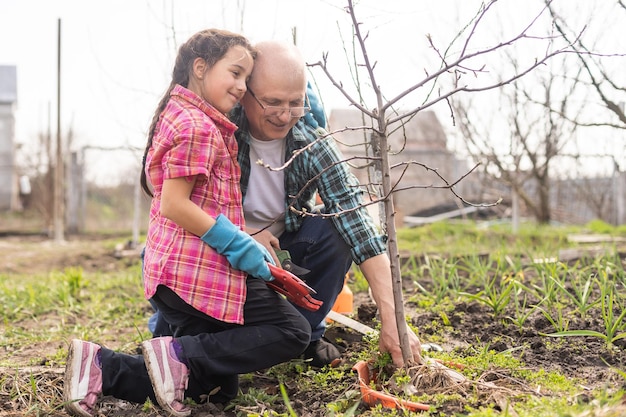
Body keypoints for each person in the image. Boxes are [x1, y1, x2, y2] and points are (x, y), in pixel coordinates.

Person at [63, 29, 311, 417]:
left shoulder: (184, 115)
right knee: (293, 331)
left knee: (211, 383)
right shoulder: (197, 126)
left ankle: (100, 368)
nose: (242, 87)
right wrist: (241, 245)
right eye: (235, 73)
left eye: (246, 78)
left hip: (175, 275)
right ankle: (176, 354)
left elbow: (196, 201)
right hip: (196, 275)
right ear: (200, 67)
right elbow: (174, 205)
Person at [231, 40, 422, 368]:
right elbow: (183, 207)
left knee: (337, 225)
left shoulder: (310, 143)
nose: (284, 116)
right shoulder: (221, 133)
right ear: (245, 93)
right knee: (182, 330)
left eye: (295, 103)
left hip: (282, 252)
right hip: (223, 247)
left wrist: (393, 319)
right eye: (272, 102)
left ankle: (305, 333)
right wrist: (242, 233)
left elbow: (360, 224)